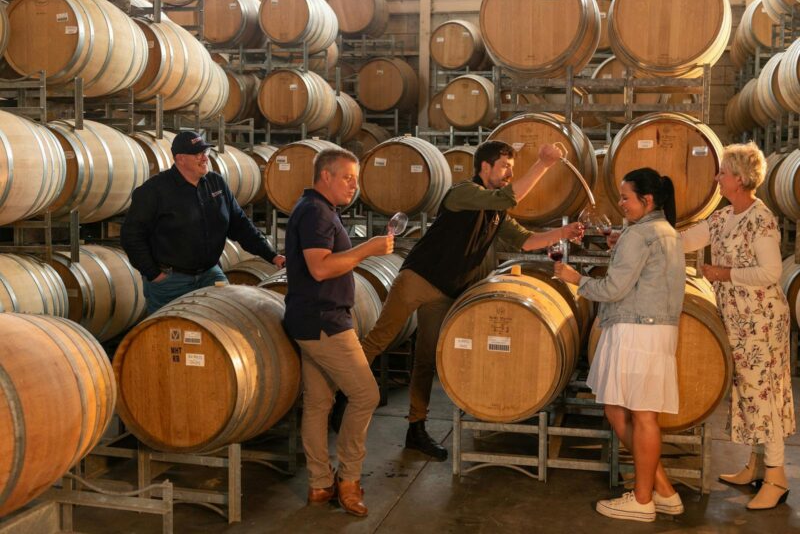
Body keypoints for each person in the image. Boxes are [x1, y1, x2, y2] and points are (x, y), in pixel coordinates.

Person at [359, 140, 584, 460]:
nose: (509, 173)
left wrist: (563, 233)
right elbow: (507, 196)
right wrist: (543, 164)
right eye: (505, 167)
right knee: (379, 340)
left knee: (426, 360)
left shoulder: (495, 209)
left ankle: (416, 428)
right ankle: (338, 396)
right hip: (417, 280)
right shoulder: (463, 192)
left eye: (511, 169)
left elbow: (527, 240)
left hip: (445, 291)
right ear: (485, 167)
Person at [555, 167, 685, 522]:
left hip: (636, 330)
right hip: (650, 329)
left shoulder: (640, 235)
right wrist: (620, 241)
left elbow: (613, 289)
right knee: (619, 410)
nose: (622, 204)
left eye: (626, 198)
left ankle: (642, 501)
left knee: (641, 416)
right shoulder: (661, 231)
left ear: (647, 200)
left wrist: (575, 279)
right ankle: (664, 490)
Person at [681, 142, 794, 510]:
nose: (717, 177)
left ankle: (776, 477)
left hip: (761, 318)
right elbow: (688, 239)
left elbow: (771, 272)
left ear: (741, 179)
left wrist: (723, 273)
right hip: (739, 317)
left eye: (724, 172)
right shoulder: (725, 215)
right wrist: (648, 237)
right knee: (749, 392)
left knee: (765, 393)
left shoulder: (760, 219)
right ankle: (757, 464)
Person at [283, 148, 393, 517]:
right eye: (347, 177)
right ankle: (348, 480)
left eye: (356, 179)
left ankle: (319, 484)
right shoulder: (316, 212)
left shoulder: (316, 209)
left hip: (308, 320)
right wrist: (369, 249)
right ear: (325, 176)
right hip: (325, 322)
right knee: (366, 395)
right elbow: (320, 268)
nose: (353, 185)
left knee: (318, 403)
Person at [121, 130, 285, 314]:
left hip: (209, 273)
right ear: (180, 158)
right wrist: (153, 274)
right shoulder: (154, 191)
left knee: (226, 318)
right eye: (198, 154)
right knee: (169, 334)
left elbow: (240, 225)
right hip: (171, 280)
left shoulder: (216, 184)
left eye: (205, 153)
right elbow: (131, 236)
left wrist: (271, 255)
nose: (205, 158)